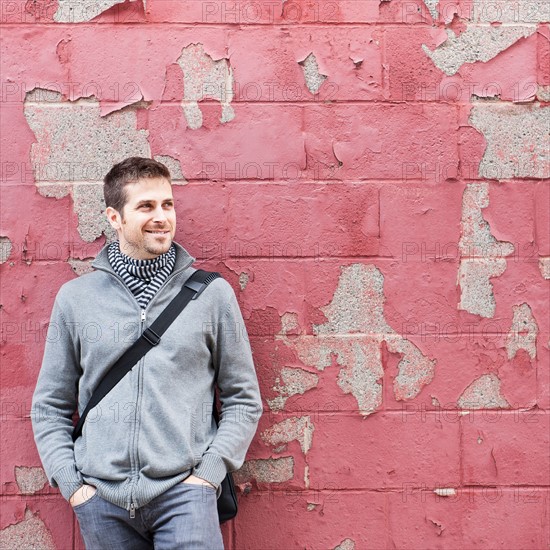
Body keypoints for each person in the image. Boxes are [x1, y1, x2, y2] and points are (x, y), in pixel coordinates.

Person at [31, 157, 262, 549]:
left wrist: (207, 476)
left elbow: (243, 399)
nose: (162, 217)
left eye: (167, 205)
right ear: (114, 217)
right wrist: (74, 488)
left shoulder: (210, 295)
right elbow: (50, 405)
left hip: (184, 495)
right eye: (146, 207)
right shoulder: (76, 300)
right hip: (101, 501)